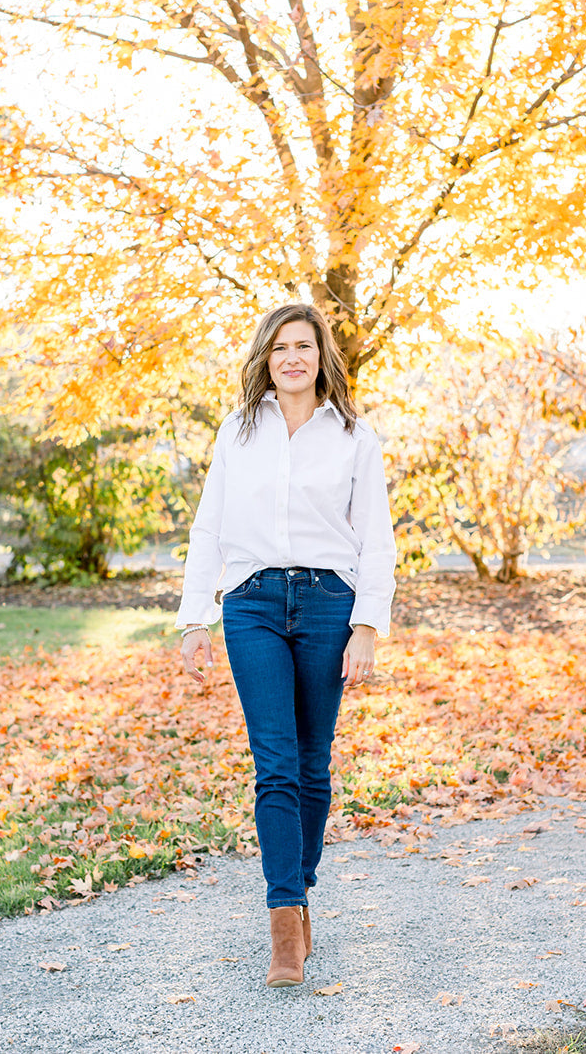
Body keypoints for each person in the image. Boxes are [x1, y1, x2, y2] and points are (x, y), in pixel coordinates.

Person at [177, 302, 396, 989]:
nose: (292, 358)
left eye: (303, 345)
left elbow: (377, 540)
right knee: (273, 762)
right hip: (253, 606)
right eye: (279, 348)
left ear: (321, 356)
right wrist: (193, 618)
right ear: (265, 359)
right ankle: (284, 926)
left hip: (330, 603)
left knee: (312, 764)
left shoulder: (356, 436)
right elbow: (208, 530)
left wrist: (366, 626)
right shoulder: (237, 432)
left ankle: (300, 891)